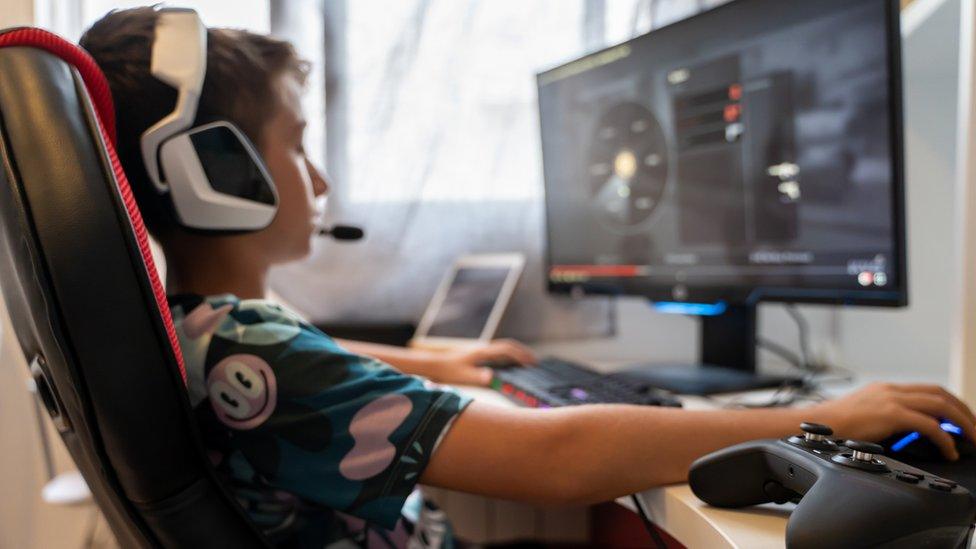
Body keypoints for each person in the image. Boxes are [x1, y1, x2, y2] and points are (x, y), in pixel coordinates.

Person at [80, 7, 976, 548]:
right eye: (297, 146)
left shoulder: (205, 329)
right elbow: (555, 457)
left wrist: (440, 366)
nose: (316, 181)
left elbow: (305, 353)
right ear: (216, 171)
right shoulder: (263, 352)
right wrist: (823, 422)